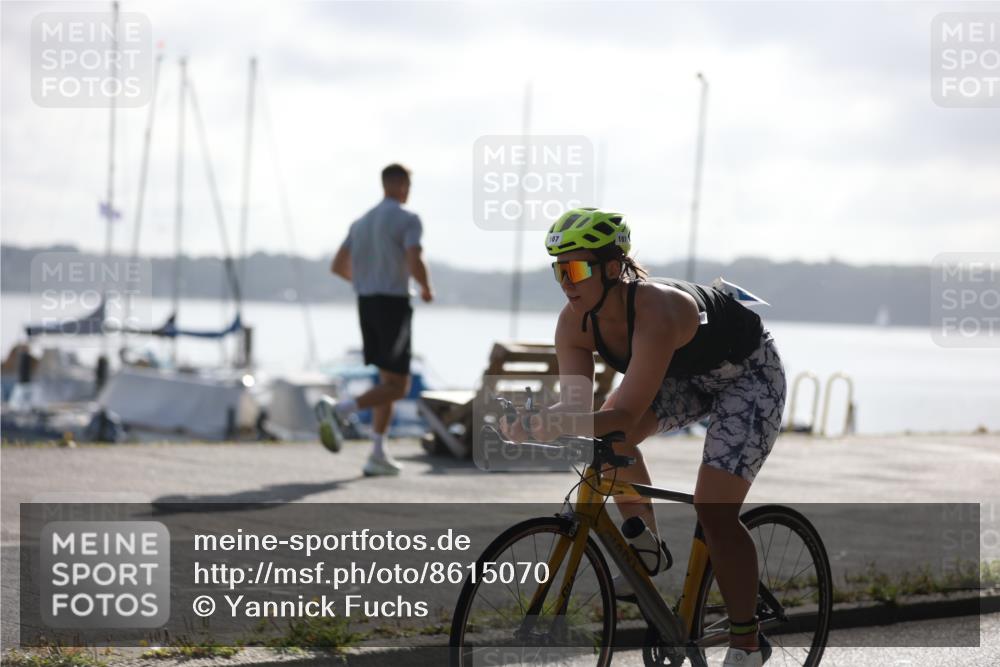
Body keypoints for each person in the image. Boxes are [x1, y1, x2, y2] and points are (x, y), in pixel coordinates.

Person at [501, 207, 786, 666]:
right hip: (683, 375)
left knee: (714, 510)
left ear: (613, 268)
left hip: (747, 377)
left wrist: (558, 423)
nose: (565, 281)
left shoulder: (657, 308)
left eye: (575, 268)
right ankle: (648, 546)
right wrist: (533, 421)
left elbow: (625, 411)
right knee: (611, 436)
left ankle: (747, 642)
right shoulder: (573, 322)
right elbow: (577, 409)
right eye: (558, 270)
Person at [316, 163, 433, 477]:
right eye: (407, 185)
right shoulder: (408, 219)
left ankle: (377, 453)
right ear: (400, 185)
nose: (408, 191)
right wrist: (425, 287)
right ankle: (339, 410)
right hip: (393, 304)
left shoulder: (361, 222)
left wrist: (364, 281)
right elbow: (414, 257)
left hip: (366, 303)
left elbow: (338, 265)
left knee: (387, 382)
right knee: (399, 386)